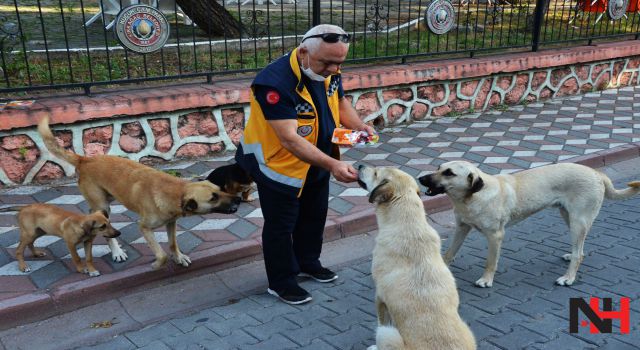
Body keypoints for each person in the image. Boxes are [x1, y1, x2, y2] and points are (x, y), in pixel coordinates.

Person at [235, 24, 375, 304]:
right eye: (328, 62)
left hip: (317, 159)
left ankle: (308, 263)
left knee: (314, 214)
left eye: (339, 63)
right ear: (303, 53)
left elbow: (341, 100)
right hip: (277, 165)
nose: (335, 69)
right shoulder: (274, 82)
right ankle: (282, 282)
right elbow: (289, 139)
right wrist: (333, 165)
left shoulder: (329, 69)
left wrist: (360, 125)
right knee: (281, 225)